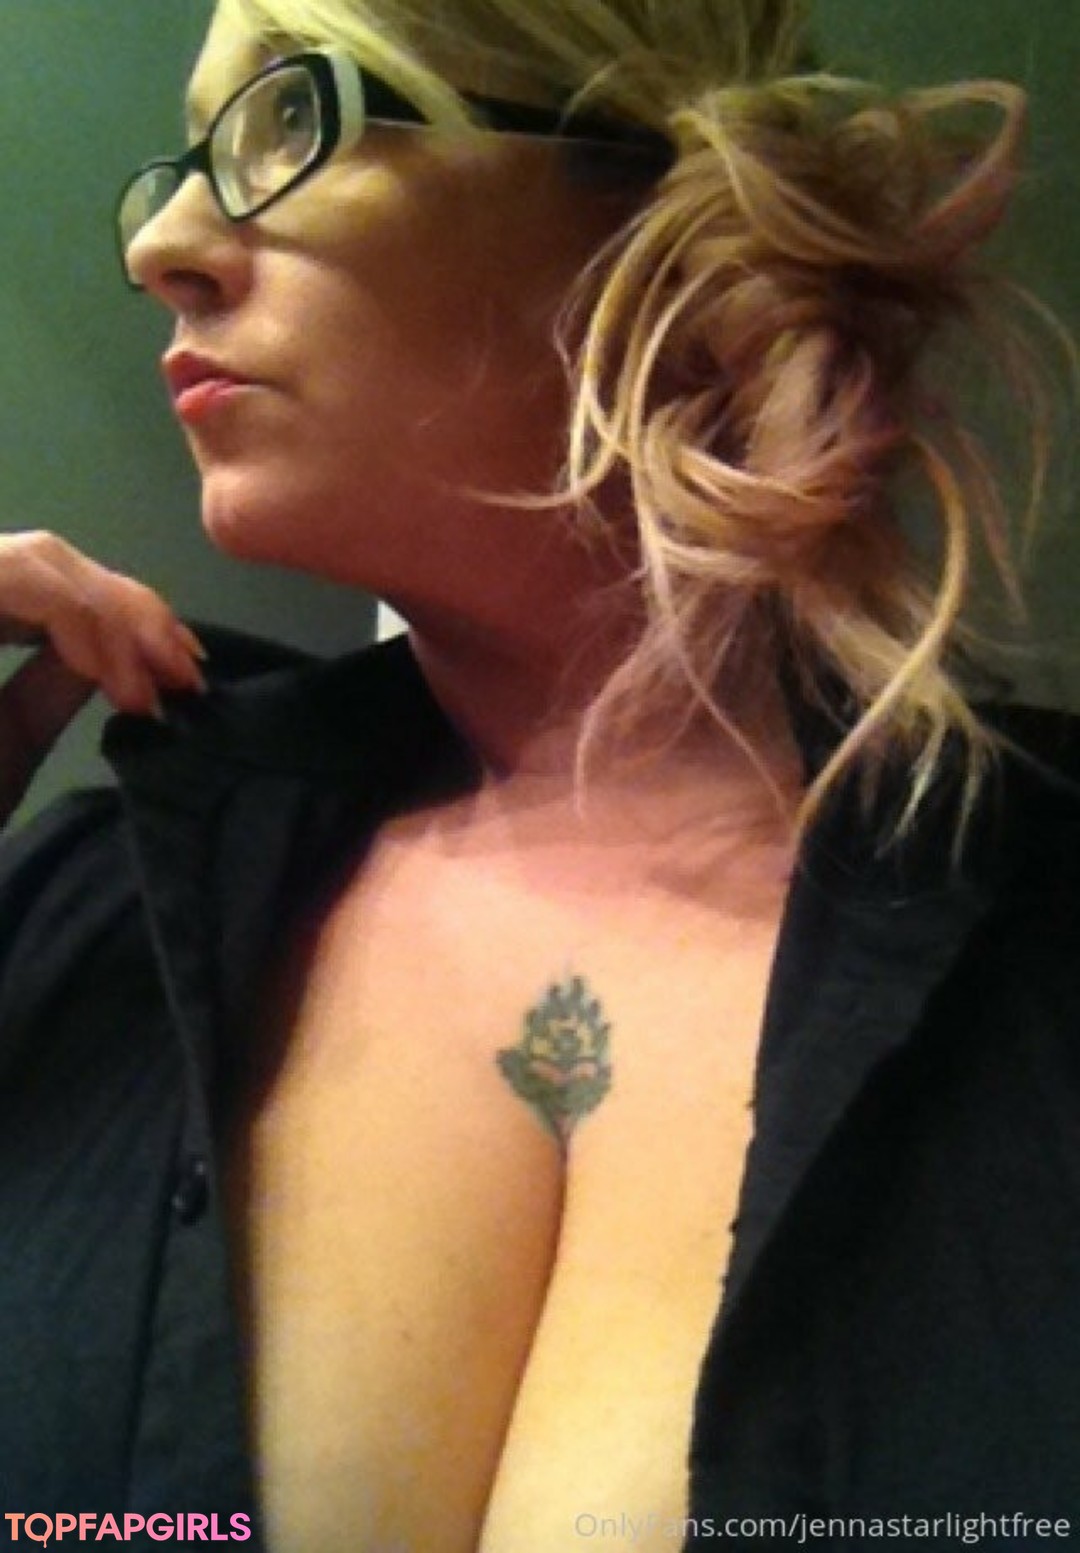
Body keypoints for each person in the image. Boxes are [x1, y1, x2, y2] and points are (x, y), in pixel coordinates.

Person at [0, 1, 1077, 1549]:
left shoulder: (1043, 940)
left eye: (286, 117)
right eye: (181, 164)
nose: (164, 245)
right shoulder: (74, 917)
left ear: (649, 180)